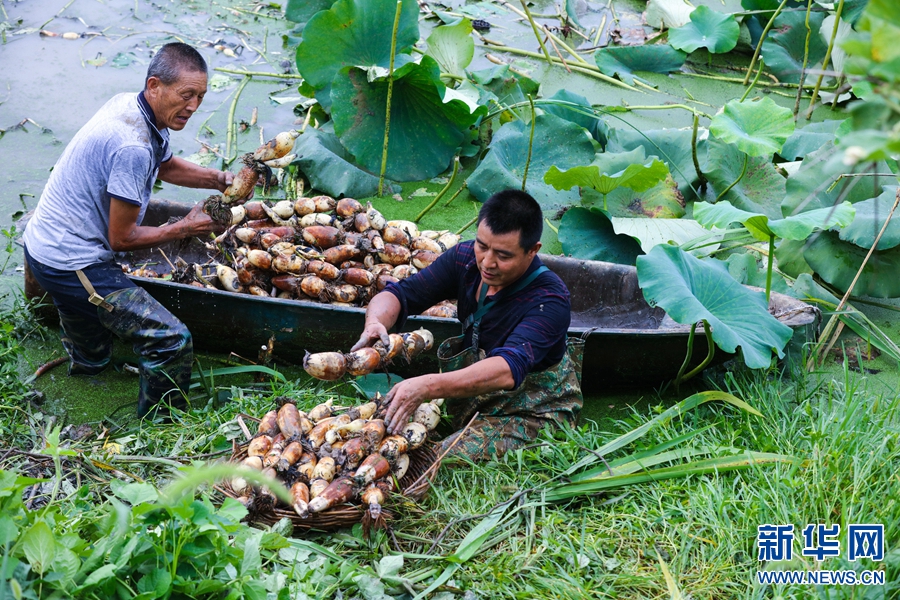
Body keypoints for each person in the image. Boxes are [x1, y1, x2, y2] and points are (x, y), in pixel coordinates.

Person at [23, 42, 231, 417]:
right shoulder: (131, 147)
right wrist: (185, 227)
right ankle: (160, 424)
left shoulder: (133, 107)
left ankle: (87, 353)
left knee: (96, 357)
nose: (194, 106)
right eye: (186, 95)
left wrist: (218, 178)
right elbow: (122, 239)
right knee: (171, 340)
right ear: (155, 86)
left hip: (41, 242)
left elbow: (165, 165)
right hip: (71, 262)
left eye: (201, 96)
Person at [352, 190, 584, 461]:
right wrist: (375, 322)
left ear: (532, 251)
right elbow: (402, 294)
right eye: (482, 246)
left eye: (503, 255)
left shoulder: (549, 299)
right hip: (474, 401)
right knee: (377, 431)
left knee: (437, 460)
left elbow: (508, 369)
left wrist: (427, 386)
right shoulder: (464, 258)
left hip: (532, 412)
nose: (487, 262)